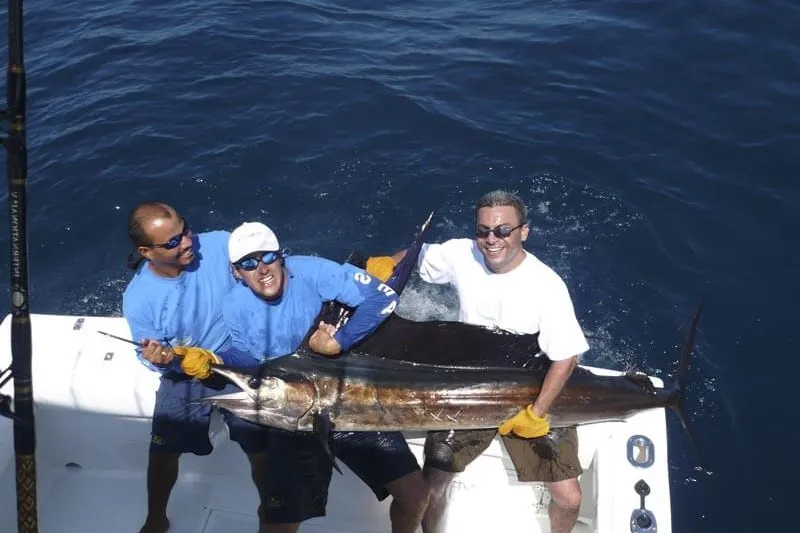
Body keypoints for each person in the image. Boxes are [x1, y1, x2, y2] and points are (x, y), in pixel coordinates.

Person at [369, 189, 590, 533]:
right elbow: (418, 255)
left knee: (569, 496)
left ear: (523, 232)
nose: (491, 239)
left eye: (503, 230)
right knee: (430, 489)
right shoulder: (462, 253)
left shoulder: (547, 285)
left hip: (529, 395)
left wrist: (536, 413)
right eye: (483, 230)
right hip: (467, 389)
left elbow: (566, 358)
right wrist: (383, 266)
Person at [187, 221, 429, 533]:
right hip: (289, 417)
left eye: (268, 257)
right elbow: (248, 357)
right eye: (248, 263)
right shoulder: (234, 305)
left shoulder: (315, 272)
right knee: (281, 519)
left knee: (416, 494)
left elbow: (382, 298)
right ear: (236, 272)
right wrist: (216, 360)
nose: (261, 269)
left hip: (346, 401)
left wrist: (339, 341)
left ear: (281, 255)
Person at [122, 202, 271, 533]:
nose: (187, 242)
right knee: (162, 451)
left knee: (262, 445)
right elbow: (147, 354)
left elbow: (269, 266)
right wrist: (161, 359)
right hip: (186, 368)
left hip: (239, 354)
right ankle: (156, 517)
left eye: (185, 230)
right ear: (146, 251)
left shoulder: (218, 244)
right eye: (172, 243)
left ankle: (270, 512)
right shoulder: (139, 299)